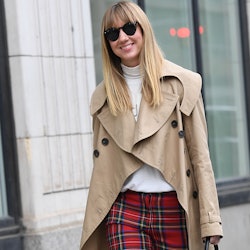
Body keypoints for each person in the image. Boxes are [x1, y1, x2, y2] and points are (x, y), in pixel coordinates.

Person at [80, 1, 223, 249]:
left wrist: (211, 220)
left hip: (173, 205)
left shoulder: (182, 84)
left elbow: (200, 156)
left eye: (129, 28)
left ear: (143, 29)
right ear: (107, 43)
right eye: (112, 33)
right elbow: (103, 167)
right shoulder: (103, 98)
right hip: (125, 209)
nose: (122, 37)